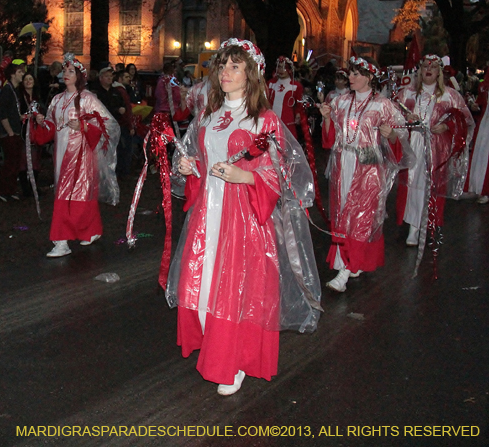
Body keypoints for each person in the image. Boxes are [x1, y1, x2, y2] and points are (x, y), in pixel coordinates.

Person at [169, 38, 320, 396]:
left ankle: (233, 359)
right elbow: (200, 160)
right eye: (222, 65)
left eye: (234, 66)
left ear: (251, 73)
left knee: (235, 290)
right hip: (207, 215)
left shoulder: (264, 121)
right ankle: (215, 345)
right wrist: (189, 167)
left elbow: (285, 174)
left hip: (244, 219)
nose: (225, 72)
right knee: (203, 284)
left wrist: (247, 177)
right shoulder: (208, 117)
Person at [319, 56, 411, 292]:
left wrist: (391, 135)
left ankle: (345, 271)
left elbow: (400, 139)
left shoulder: (383, 105)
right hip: (343, 162)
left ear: (369, 77)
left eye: (356, 74)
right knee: (343, 213)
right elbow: (330, 139)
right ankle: (351, 262)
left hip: (369, 165)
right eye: (350, 73)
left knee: (361, 216)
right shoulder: (340, 102)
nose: (350, 77)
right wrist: (327, 117)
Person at [33, 54, 120, 258]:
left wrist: (84, 126)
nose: (66, 74)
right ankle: (91, 229)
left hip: (81, 154)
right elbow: (51, 127)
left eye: (71, 71)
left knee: (69, 193)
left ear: (79, 75)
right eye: (64, 71)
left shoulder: (88, 99)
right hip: (61, 154)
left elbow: (108, 124)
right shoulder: (57, 99)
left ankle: (61, 241)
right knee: (77, 193)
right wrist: (41, 122)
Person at [396, 55, 474, 246]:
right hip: (413, 145)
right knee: (413, 186)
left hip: (437, 149)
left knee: (431, 187)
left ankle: (429, 225)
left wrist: (447, 126)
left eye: (433, 67)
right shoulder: (407, 94)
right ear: (420, 70)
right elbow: (393, 115)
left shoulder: (450, 95)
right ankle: (414, 227)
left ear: (439, 72)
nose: (428, 70)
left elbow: (465, 120)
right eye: (425, 67)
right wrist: (406, 119)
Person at [0, 63, 25, 202]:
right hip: (9, 133)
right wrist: (10, 132)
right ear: (13, 74)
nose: (22, 74)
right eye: (19, 72)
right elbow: (2, 113)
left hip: (14, 131)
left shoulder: (14, 90)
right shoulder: (7, 91)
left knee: (15, 162)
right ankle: (4, 190)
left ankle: (10, 189)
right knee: (10, 163)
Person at [266, 56, 304, 138]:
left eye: (284, 68)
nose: (281, 70)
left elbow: (299, 105)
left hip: (288, 121)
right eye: (279, 67)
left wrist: (298, 115)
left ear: (290, 69)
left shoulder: (296, 86)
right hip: (271, 120)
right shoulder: (270, 83)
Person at [17, 71, 43, 196]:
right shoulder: (20, 97)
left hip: (36, 131)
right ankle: (25, 188)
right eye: (26, 79)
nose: (28, 82)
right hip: (24, 132)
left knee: (35, 159)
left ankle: (34, 186)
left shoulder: (37, 97)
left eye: (30, 79)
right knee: (23, 160)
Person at [466, 67, 489, 203]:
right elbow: (480, 101)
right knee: (482, 153)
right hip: (485, 123)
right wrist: (475, 105)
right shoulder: (484, 84)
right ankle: (480, 187)